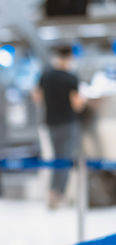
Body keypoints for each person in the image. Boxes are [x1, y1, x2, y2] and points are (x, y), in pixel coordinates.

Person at [34, 46, 86, 208]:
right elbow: (76, 104)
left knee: (56, 158)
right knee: (65, 159)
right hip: (68, 122)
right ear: (69, 58)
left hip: (50, 122)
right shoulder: (71, 78)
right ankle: (58, 194)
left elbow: (37, 97)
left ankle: (52, 193)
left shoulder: (45, 76)